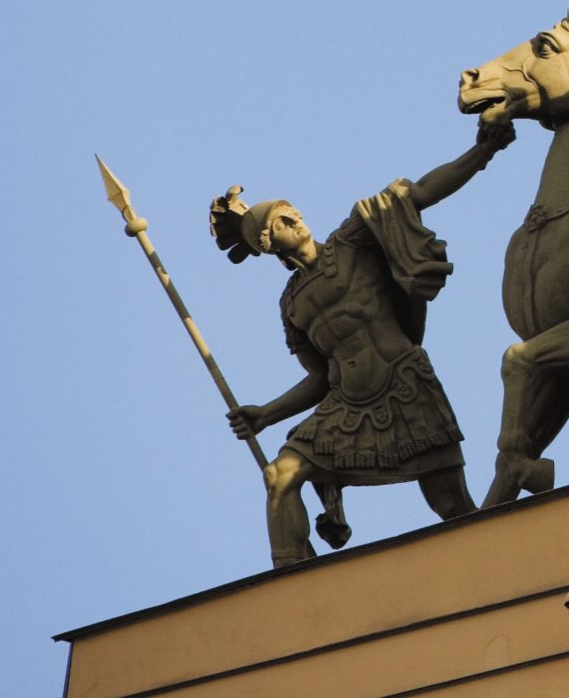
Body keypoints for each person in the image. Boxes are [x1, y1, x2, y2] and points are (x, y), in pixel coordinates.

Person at [211, 120, 511, 568]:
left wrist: (481, 153)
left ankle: (507, 567)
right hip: (348, 407)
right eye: (275, 226)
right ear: (266, 245)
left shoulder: (353, 239)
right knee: (280, 475)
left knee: (452, 507)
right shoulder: (292, 304)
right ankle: (290, 581)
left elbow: (419, 192)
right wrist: (265, 415)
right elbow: (319, 379)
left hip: (406, 385)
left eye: (287, 216)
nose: (292, 222)